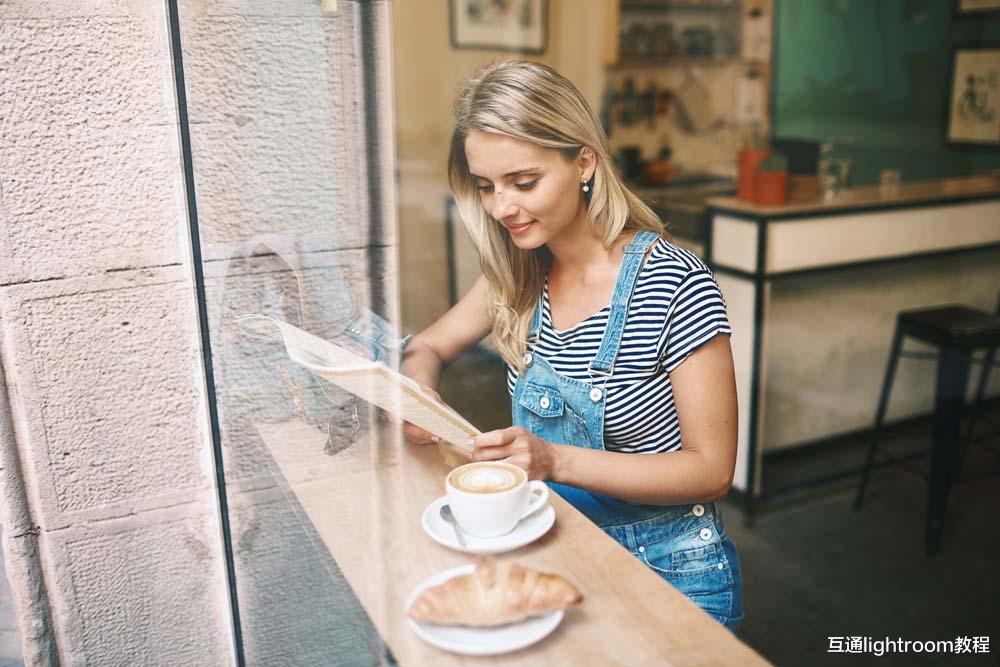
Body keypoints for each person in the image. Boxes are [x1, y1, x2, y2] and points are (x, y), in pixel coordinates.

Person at [400, 60, 743, 631]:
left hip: (671, 571)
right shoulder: (517, 276)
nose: (501, 207)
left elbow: (711, 471)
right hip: (559, 547)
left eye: (523, 182)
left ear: (584, 160)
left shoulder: (674, 283)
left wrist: (554, 459)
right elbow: (427, 348)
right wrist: (419, 398)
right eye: (486, 187)